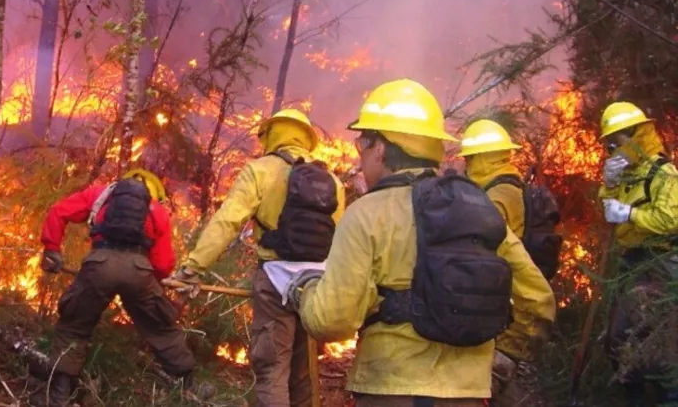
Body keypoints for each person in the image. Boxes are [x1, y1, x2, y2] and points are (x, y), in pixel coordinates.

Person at [289, 79, 556, 407]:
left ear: (382, 149)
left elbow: (332, 321)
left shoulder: (367, 214)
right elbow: (538, 300)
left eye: (363, 145)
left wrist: (304, 291)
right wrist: (502, 359)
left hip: (390, 391)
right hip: (467, 395)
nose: (360, 157)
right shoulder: (479, 209)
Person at [171, 108, 346, 407]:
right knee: (304, 372)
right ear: (306, 139)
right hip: (318, 284)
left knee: (272, 370)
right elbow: (343, 237)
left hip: (275, 282)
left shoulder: (260, 170)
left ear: (271, 134)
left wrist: (192, 268)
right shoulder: (332, 181)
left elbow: (228, 222)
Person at [36, 169, 197, 407]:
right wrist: (150, 279)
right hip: (138, 270)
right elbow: (163, 264)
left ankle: (59, 394)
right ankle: (188, 387)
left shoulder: (100, 195)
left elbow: (59, 211)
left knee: (73, 325)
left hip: (98, 265)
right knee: (161, 328)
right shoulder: (157, 211)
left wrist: (52, 248)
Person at [459, 119, 561, 406]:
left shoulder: (498, 195)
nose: (465, 165)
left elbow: (476, 245)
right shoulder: (505, 185)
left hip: (509, 308)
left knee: (500, 390)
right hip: (511, 303)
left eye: (469, 158)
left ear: (480, 158)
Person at [597, 102, 678, 406]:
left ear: (635, 135)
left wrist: (631, 213)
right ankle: (633, 397)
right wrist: (609, 186)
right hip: (631, 262)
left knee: (664, 339)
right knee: (621, 337)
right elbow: (607, 212)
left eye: (615, 141)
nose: (612, 149)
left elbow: (672, 220)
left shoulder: (663, 172)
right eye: (609, 143)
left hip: (661, 262)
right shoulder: (626, 174)